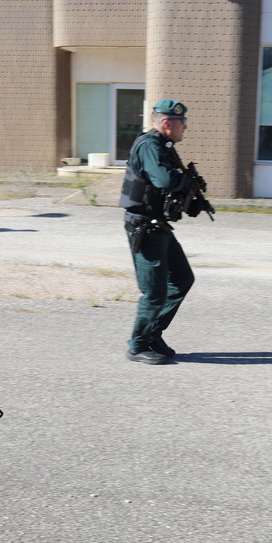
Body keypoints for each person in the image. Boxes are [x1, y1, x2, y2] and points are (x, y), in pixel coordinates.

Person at [119, 99, 198, 365]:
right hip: (144, 227)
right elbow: (164, 180)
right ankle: (138, 345)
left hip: (158, 224)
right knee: (154, 291)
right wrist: (184, 181)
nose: (185, 127)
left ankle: (153, 333)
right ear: (167, 124)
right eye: (181, 123)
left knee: (183, 279)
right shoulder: (149, 146)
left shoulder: (164, 147)